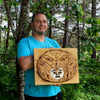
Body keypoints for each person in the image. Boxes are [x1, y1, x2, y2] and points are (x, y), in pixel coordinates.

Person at [17, 13, 63, 100]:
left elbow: (61, 66)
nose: (42, 24)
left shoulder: (54, 43)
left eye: (44, 22)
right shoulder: (25, 42)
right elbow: (24, 65)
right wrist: (45, 54)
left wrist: (60, 79)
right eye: (38, 21)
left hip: (55, 93)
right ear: (32, 24)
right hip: (34, 95)